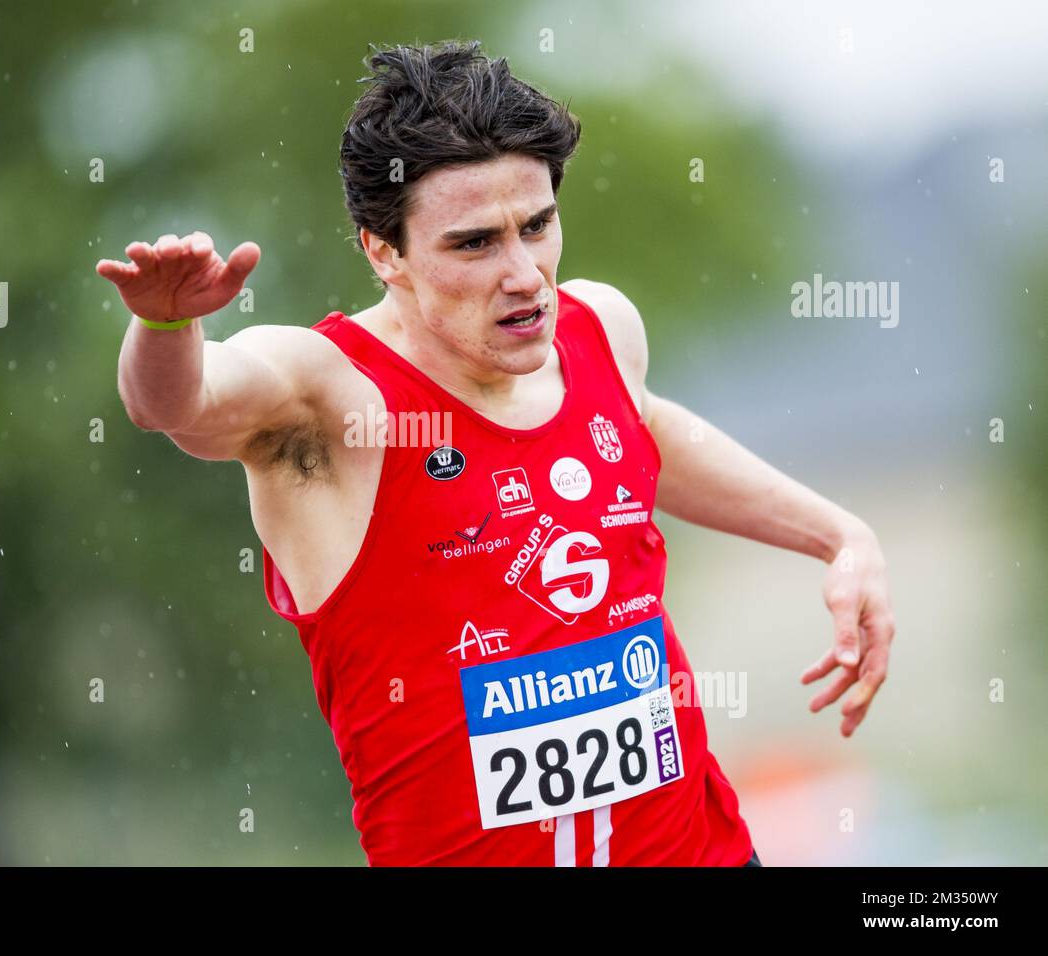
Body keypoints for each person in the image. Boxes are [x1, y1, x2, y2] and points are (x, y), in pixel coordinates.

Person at [95, 40, 895, 866]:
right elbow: (173, 403)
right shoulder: (327, 397)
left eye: (538, 226)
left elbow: (649, 433)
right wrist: (163, 324)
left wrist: (839, 536)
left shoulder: (600, 327)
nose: (524, 275)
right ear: (384, 252)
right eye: (474, 244)